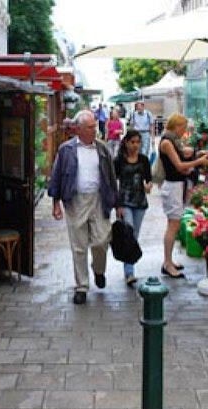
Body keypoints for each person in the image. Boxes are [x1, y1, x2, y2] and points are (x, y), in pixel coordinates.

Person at [48, 110, 122, 305]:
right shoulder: (66, 150)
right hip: (75, 201)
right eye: (90, 127)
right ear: (78, 130)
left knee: (102, 240)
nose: (94, 130)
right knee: (78, 246)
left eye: (95, 126)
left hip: (99, 199)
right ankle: (81, 286)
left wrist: (118, 204)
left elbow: (112, 177)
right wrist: (55, 204)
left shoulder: (103, 149)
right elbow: (56, 177)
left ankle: (98, 270)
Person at [157, 114, 208, 279]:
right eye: (183, 127)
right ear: (177, 126)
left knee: (173, 225)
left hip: (177, 186)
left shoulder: (173, 141)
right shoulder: (167, 142)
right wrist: (200, 161)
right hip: (172, 186)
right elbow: (180, 165)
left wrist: (197, 154)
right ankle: (167, 263)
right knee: (173, 226)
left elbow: (184, 156)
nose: (184, 131)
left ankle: (169, 261)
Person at [113, 129, 152, 286]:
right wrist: (117, 205)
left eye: (138, 142)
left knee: (134, 235)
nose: (136, 145)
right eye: (133, 142)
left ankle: (129, 267)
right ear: (126, 142)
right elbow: (113, 183)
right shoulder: (119, 161)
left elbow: (149, 179)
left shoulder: (143, 160)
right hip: (125, 202)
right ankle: (129, 272)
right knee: (127, 234)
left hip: (140, 202)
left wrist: (149, 185)